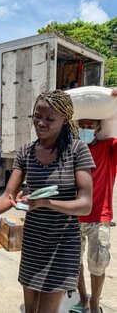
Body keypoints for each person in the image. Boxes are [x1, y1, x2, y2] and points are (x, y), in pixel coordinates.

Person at [0, 90, 95, 313]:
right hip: (33, 242)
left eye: (49, 118)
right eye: (37, 116)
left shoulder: (77, 150)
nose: (41, 123)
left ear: (65, 119)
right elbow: (8, 197)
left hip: (62, 243)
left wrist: (47, 203)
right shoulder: (26, 152)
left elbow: (85, 203)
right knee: (30, 310)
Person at [70, 89, 117, 313]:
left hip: (99, 214)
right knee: (74, 261)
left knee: (98, 261)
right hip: (74, 214)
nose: (86, 130)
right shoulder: (72, 150)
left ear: (99, 127)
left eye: (91, 126)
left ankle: (96, 301)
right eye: (83, 126)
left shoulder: (109, 147)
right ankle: (83, 299)